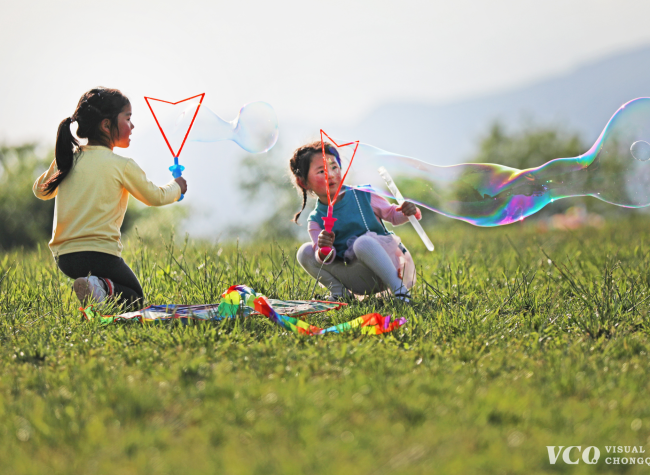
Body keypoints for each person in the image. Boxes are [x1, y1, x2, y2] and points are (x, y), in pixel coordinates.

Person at [33, 87, 187, 308]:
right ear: (106, 125)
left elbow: (40, 190)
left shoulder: (67, 160)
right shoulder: (122, 166)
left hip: (65, 258)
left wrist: (59, 162)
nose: (132, 126)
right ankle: (100, 287)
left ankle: (96, 290)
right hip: (100, 254)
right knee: (135, 298)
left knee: (116, 293)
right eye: (128, 118)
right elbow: (155, 197)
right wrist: (177, 187)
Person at [290, 141, 422, 302]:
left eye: (334, 167)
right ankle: (340, 294)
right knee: (304, 252)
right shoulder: (316, 220)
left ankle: (400, 292)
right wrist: (324, 248)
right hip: (358, 279)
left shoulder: (362, 194)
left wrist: (408, 212)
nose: (330, 174)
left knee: (362, 243)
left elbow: (393, 215)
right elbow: (324, 259)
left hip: (388, 269)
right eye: (321, 171)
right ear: (303, 182)